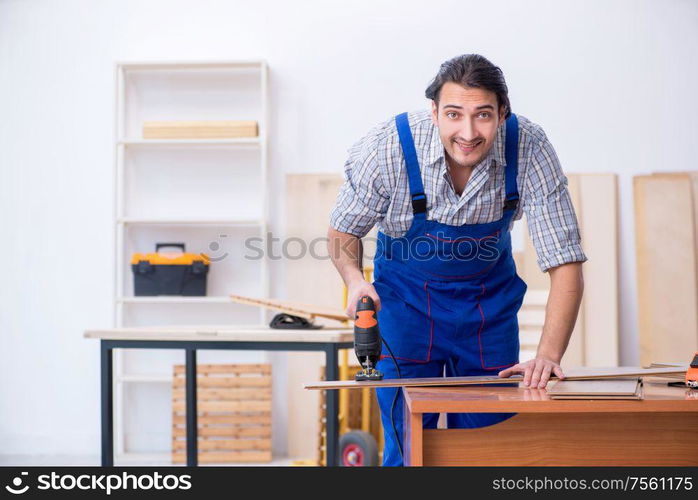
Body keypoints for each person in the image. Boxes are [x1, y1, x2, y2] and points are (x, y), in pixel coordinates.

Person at [327, 54, 586, 466]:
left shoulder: (530, 148)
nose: (468, 132)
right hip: (405, 310)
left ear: (503, 113)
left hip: (487, 314)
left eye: (483, 115)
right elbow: (343, 232)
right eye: (454, 114)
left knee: (489, 446)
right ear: (434, 112)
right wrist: (356, 280)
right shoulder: (387, 148)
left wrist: (549, 355)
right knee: (408, 446)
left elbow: (566, 263)